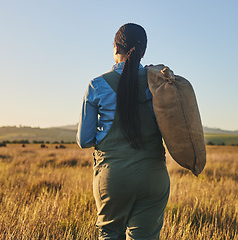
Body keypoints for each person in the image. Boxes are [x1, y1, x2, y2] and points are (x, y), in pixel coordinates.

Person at [77, 23, 170, 240]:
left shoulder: (97, 85)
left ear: (116, 47)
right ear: (143, 51)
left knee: (110, 234)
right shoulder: (158, 82)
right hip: (154, 177)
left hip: (113, 178)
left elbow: (84, 140)